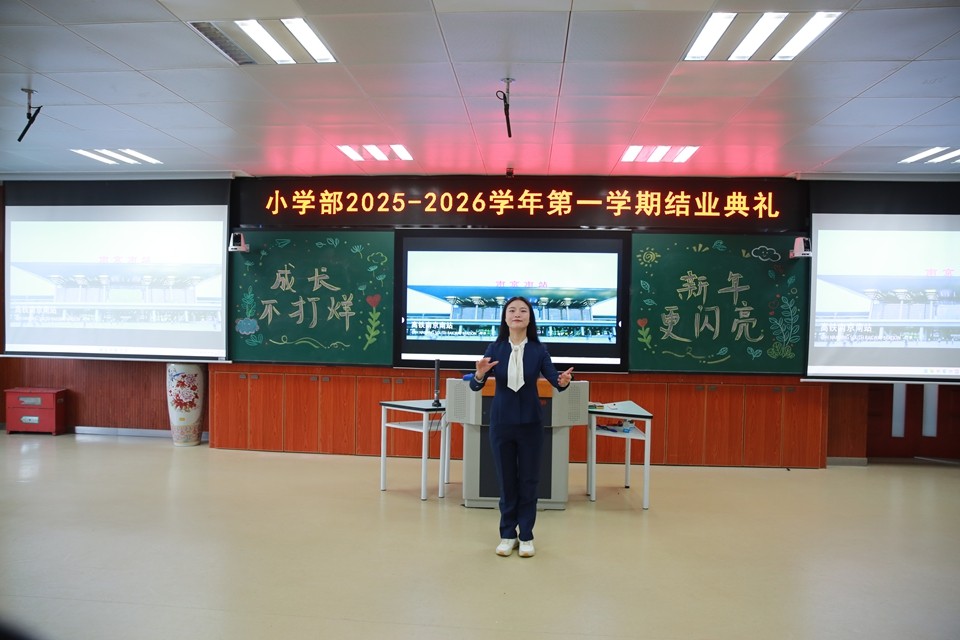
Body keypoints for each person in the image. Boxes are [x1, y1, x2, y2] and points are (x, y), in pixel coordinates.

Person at [469, 296, 573, 558]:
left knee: (528, 481)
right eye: (512, 310)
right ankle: (507, 534)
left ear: (530, 318)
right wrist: (480, 374)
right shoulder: (495, 348)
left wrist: (563, 381)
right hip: (501, 423)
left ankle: (526, 535)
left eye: (523, 310)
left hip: (531, 425)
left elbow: (556, 380)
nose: (517, 314)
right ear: (505, 317)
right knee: (506, 481)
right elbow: (475, 385)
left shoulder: (539, 350)